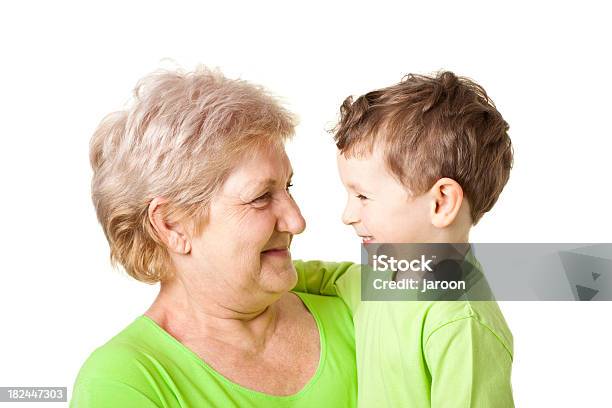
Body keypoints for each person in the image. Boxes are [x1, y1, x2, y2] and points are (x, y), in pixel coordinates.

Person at [71, 67, 357, 407]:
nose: (296, 221)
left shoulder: (348, 298)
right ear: (172, 225)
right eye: (260, 197)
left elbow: (436, 270)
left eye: (288, 187)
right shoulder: (124, 380)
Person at [293, 71, 514, 407]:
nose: (348, 215)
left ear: (441, 202)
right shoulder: (383, 275)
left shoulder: (461, 323)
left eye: (363, 197)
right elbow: (327, 278)